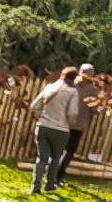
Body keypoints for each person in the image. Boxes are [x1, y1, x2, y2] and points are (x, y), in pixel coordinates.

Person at [29, 66, 79, 194]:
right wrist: (69, 123)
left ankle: (36, 185)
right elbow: (72, 113)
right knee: (56, 157)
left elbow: (34, 105)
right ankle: (50, 184)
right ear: (75, 78)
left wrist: (41, 116)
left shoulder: (49, 87)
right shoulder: (73, 91)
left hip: (43, 126)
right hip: (61, 129)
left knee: (42, 157)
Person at [55, 62, 100, 187]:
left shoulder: (71, 85)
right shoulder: (93, 90)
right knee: (69, 151)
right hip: (78, 125)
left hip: (64, 121)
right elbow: (94, 109)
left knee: (59, 149)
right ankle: (58, 177)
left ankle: (52, 174)